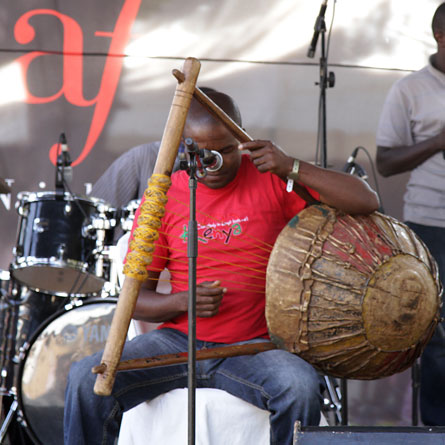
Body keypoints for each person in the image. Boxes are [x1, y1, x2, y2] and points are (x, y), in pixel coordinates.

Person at [64, 88, 379, 445]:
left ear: (242, 141)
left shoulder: (272, 179)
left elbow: (366, 200)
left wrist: (292, 165)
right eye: (203, 152)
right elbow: (133, 300)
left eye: (227, 150)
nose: (215, 161)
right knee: (83, 380)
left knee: (299, 387)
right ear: (184, 147)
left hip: (255, 346)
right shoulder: (163, 196)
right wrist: (181, 302)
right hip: (177, 343)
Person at [376, 2, 445, 426]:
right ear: (441, 36)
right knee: (437, 336)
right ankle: (437, 428)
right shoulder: (409, 90)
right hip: (432, 222)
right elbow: (385, 161)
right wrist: (438, 141)